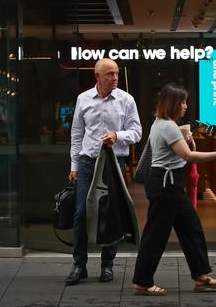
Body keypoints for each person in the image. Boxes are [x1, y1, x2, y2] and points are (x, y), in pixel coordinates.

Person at [132, 83, 216, 296]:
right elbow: (188, 157)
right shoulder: (167, 126)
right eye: (183, 102)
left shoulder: (162, 123)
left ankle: (201, 276)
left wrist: (189, 142)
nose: (186, 106)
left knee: (191, 228)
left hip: (170, 185)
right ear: (173, 103)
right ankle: (142, 282)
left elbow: (185, 152)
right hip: (166, 185)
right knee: (156, 235)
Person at [65, 58, 142, 285]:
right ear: (97, 76)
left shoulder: (126, 100)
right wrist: (74, 166)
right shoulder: (84, 99)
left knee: (111, 214)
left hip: (114, 163)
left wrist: (117, 136)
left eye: (116, 73)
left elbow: (137, 132)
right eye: (109, 74)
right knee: (80, 213)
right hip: (88, 162)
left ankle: (107, 265)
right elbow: (77, 133)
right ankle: (79, 265)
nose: (115, 78)